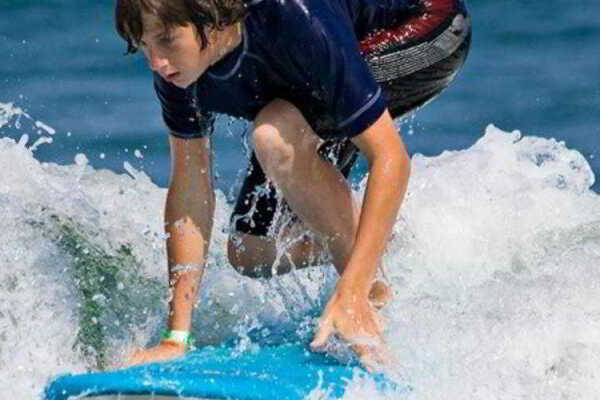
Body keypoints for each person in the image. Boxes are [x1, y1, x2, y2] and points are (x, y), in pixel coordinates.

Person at [116, 0, 471, 368]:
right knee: (251, 252)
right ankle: (378, 242)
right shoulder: (176, 73)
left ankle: (369, 302)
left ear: (213, 20)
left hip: (427, 25)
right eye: (144, 45)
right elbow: (189, 189)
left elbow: (390, 158)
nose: (155, 62)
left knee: (274, 135)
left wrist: (351, 288)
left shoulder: (293, 18)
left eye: (168, 40)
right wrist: (176, 339)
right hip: (315, 57)